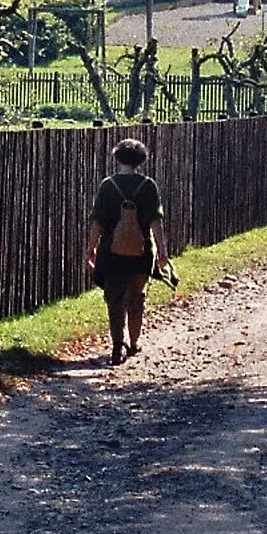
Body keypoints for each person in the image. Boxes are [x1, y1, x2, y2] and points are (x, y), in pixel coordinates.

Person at [84, 137, 170, 366]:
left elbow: (97, 222)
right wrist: (163, 252)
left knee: (115, 299)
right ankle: (134, 342)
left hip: (111, 252)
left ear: (117, 157)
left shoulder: (107, 186)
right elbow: (155, 222)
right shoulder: (148, 186)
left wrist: (90, 249)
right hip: (141, 252)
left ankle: (116, 346)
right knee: (136, 296)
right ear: (141, 160)